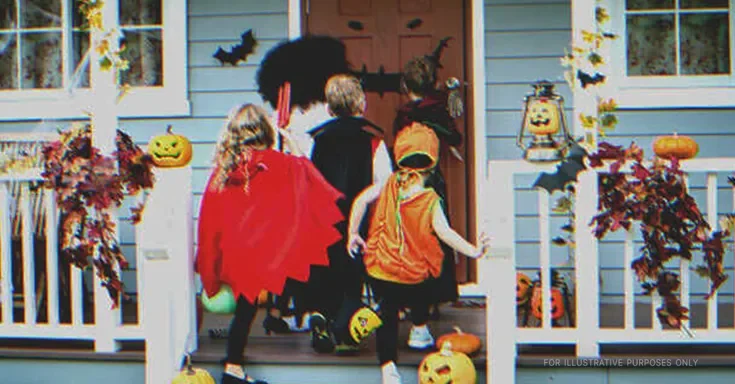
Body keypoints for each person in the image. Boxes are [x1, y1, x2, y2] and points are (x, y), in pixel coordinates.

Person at [195, 103, 344, 384]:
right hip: (263, 251)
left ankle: (234, 366)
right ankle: (233, 367)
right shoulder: (278, 162)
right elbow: (307, 174)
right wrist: (291, 142)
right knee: (253, 302)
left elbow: (208, 220)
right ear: (264, 132)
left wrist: (209, 265)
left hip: (234, 253)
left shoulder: (223, 171)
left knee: (245, 308)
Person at [347, 122, 490, 384]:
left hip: (383, 267)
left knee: (388, 315)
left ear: (399, 156)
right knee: (429, 275)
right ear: (432, 164)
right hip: (412, 271)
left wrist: (353, 233)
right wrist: (474, 251)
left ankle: (388, 368)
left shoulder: (388, 183)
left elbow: (360, 201)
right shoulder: (430, 199)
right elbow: (446, 234)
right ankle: (419, 328)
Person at [301, 74, 392, 354]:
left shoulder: (315, 140)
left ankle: (320, 314)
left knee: (324, 269)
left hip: (323, 217)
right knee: (353, 271)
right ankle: (345, 325)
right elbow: (385, 182)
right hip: (359, 217)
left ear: (329, 108)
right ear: (361, 104)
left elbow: (305, 176)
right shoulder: (373, 142)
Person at [393, 55, 464, 348]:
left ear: (404, 85)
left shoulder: (406, 113)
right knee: (436, 235)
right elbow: (456, 138)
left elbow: (397, 143)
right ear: (433, 84)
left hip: (408, 182)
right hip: (432, 180)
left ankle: (410, 300)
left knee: (411, 238)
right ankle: (433, 296)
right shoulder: (436, 110)